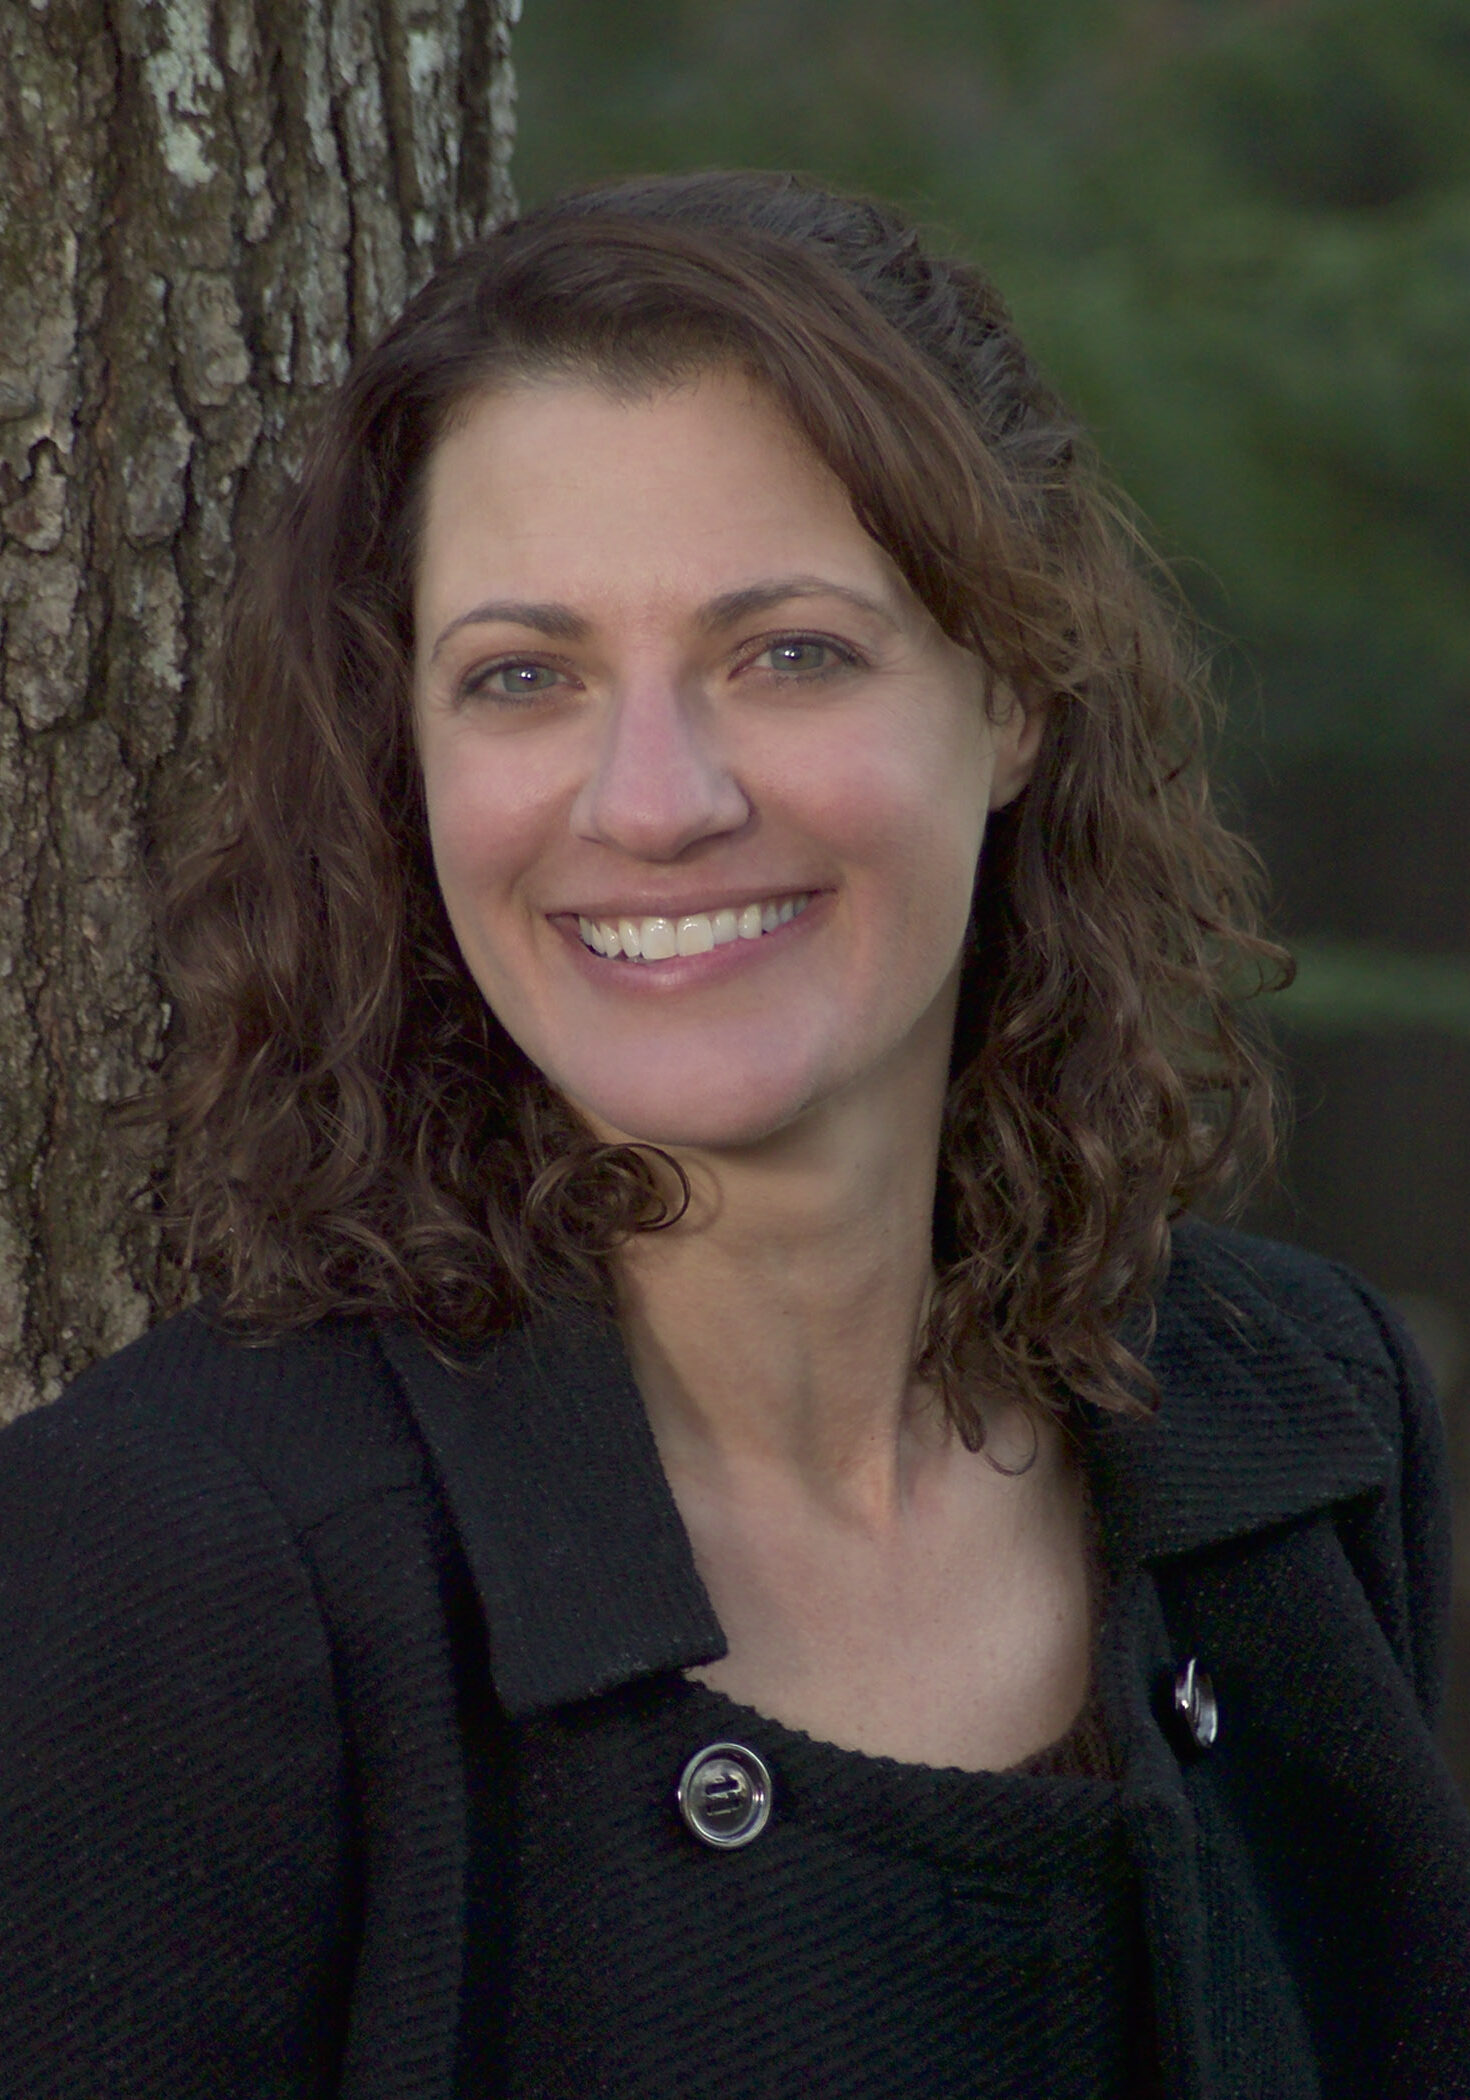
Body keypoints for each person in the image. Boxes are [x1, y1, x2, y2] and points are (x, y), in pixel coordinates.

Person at [0, 171, 1466, 2099]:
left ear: (1010, 695)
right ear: (409, 764)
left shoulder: (1304, 1422)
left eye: (786, 651)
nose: (658, 801)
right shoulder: (163, 1565)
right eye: (524, 678)